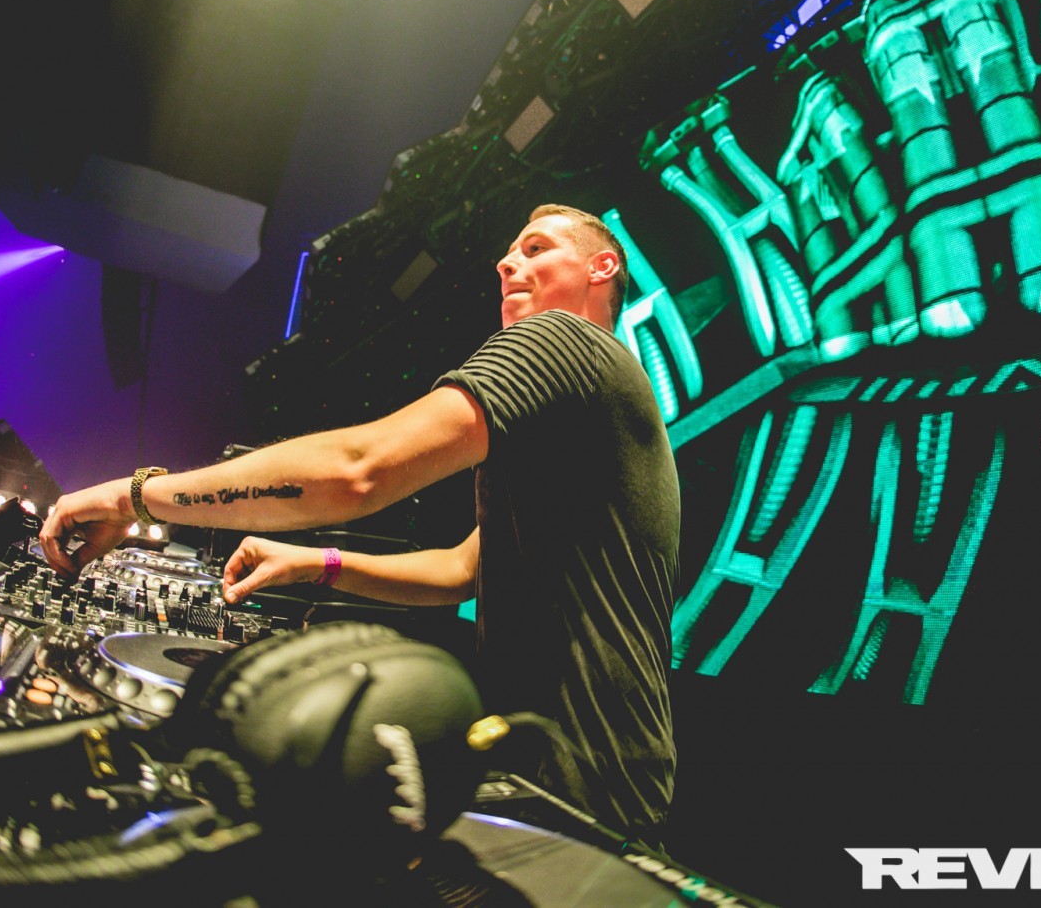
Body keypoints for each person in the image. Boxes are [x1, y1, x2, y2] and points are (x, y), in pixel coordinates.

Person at [39, 204, 680, 844]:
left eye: (536, 249)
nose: (507, 263)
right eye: (509, 253)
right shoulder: (594, 398)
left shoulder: (563, 340)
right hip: (600, 777)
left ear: (602, 267)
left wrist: (135, 497)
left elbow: (358, 470)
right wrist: (318, 564)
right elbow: (462, 570)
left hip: (575, 780)